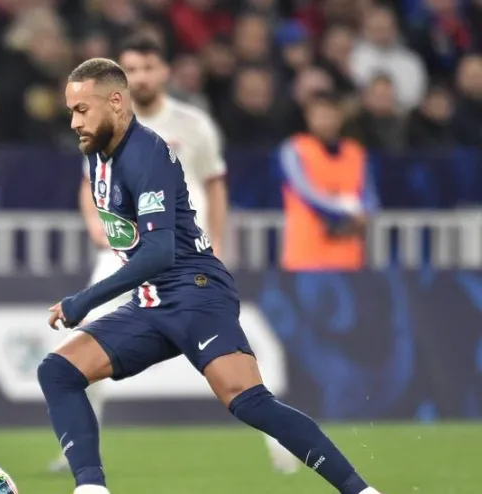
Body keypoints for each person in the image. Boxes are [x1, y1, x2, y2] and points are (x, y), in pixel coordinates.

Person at [40, 57, 382, 494]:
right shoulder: (98, 156)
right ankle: (91, 489)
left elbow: (159, 252)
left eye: (82, 110)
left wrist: (82, 301)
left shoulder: (147, 154)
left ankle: (361, 491)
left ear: (116, 102)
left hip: (195, 293)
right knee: (58, 371)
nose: (74, 122)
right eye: (71, 111)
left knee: (248, 401)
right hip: (152, 302)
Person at [50, 36, 298, 475]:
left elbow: (215, 185)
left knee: (241, 354)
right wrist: (94, 222)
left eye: (148, 68)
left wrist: (217, 240)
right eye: (132, 69)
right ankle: (78, 449)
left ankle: (279, 442)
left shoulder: (193, 124)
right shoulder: (99, 123)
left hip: (183, 254)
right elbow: (90, 184)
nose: (141, 77)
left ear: (163, 72)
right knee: (73, 347)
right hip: (123, 252)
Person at [280, 91, 378, 271]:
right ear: (308, 117)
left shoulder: (356, 153)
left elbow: (370, 198)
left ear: (340, 116)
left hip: (350, 260)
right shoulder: (295, 150)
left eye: (330, 114)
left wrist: (365, 213)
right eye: (319, 114)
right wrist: (346, 210)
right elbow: (306, 193)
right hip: (305, 259)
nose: (325, 120)